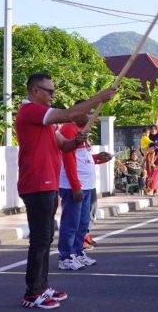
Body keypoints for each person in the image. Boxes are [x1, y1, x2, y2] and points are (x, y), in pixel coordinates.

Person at [14, 73, 115, 308]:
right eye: (48, 91)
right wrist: (98, 97)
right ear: (35, 91)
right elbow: (70, 114)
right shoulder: (30, 111)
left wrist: (78, 141)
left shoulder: (46, 122)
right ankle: (32, 292)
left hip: (48, 184)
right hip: (36, 184)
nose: (52, 96)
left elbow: (64, 146)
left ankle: (42, 286)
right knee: (40, 240)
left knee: (46, 238)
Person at [58, 101, 114, 271]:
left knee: (83, 222)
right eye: (89, 113)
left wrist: (98, 158)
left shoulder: (82, 131)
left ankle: (78, 252)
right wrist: (75, 186)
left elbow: (84, 158)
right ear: (77, 112)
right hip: (74, 186)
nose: (92, 117)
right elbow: (68, 159)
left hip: (87, 185)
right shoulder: (68, 129)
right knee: (71, 222)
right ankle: (66, 257)